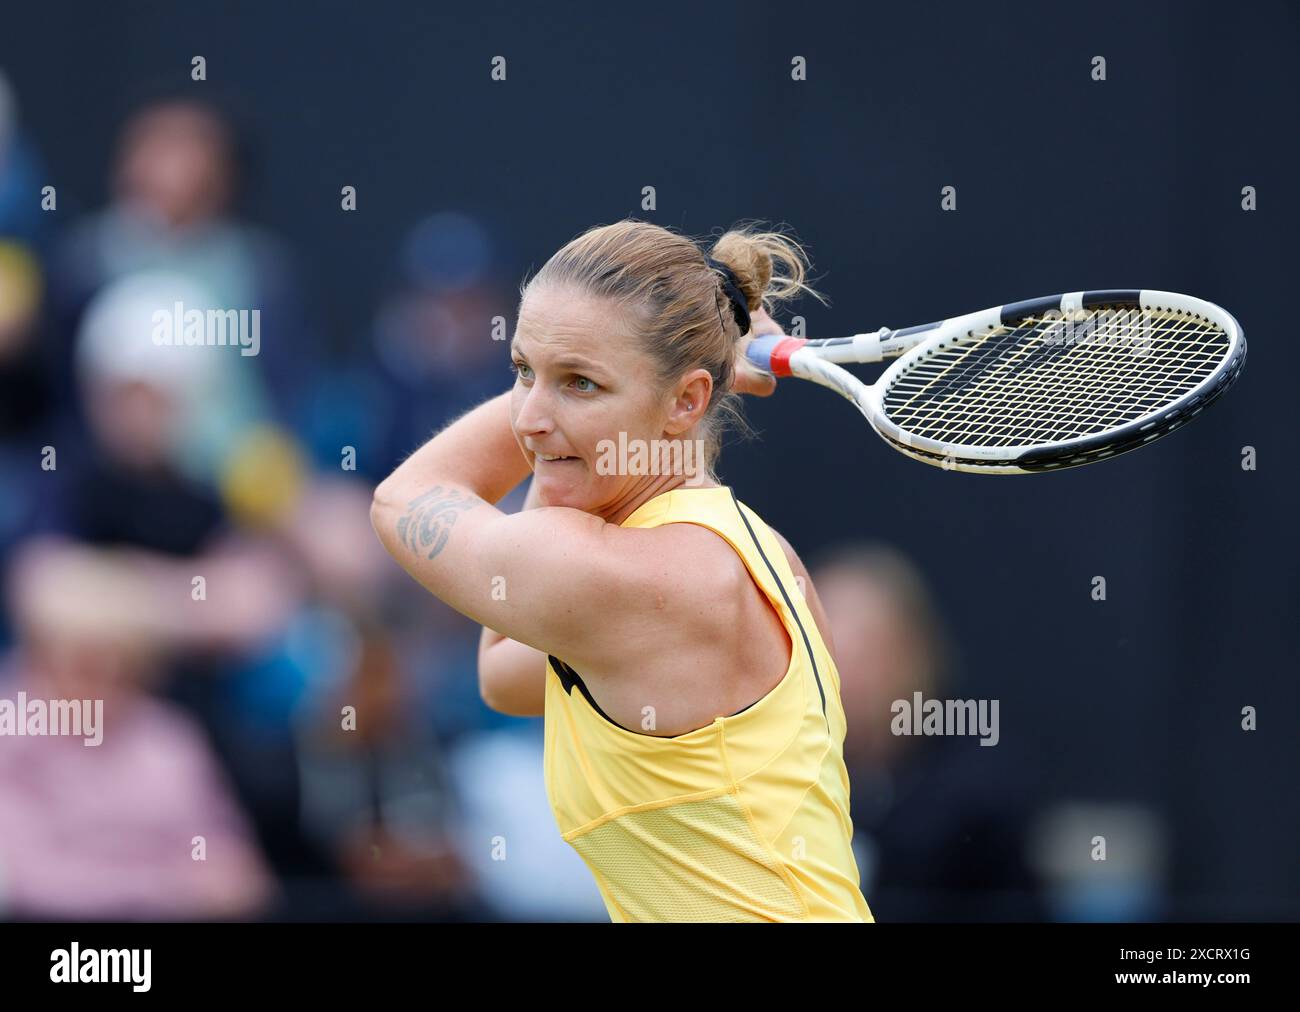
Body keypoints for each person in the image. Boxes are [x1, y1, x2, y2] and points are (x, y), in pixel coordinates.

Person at [372, 219, 873, 922]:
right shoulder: (749, 553)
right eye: (521, 371)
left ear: (687, 401)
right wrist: (560, 429)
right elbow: (502, 672)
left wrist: (553, 437)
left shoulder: (627, 581)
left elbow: (402, 499)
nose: (529, 416)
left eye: (581, 382)